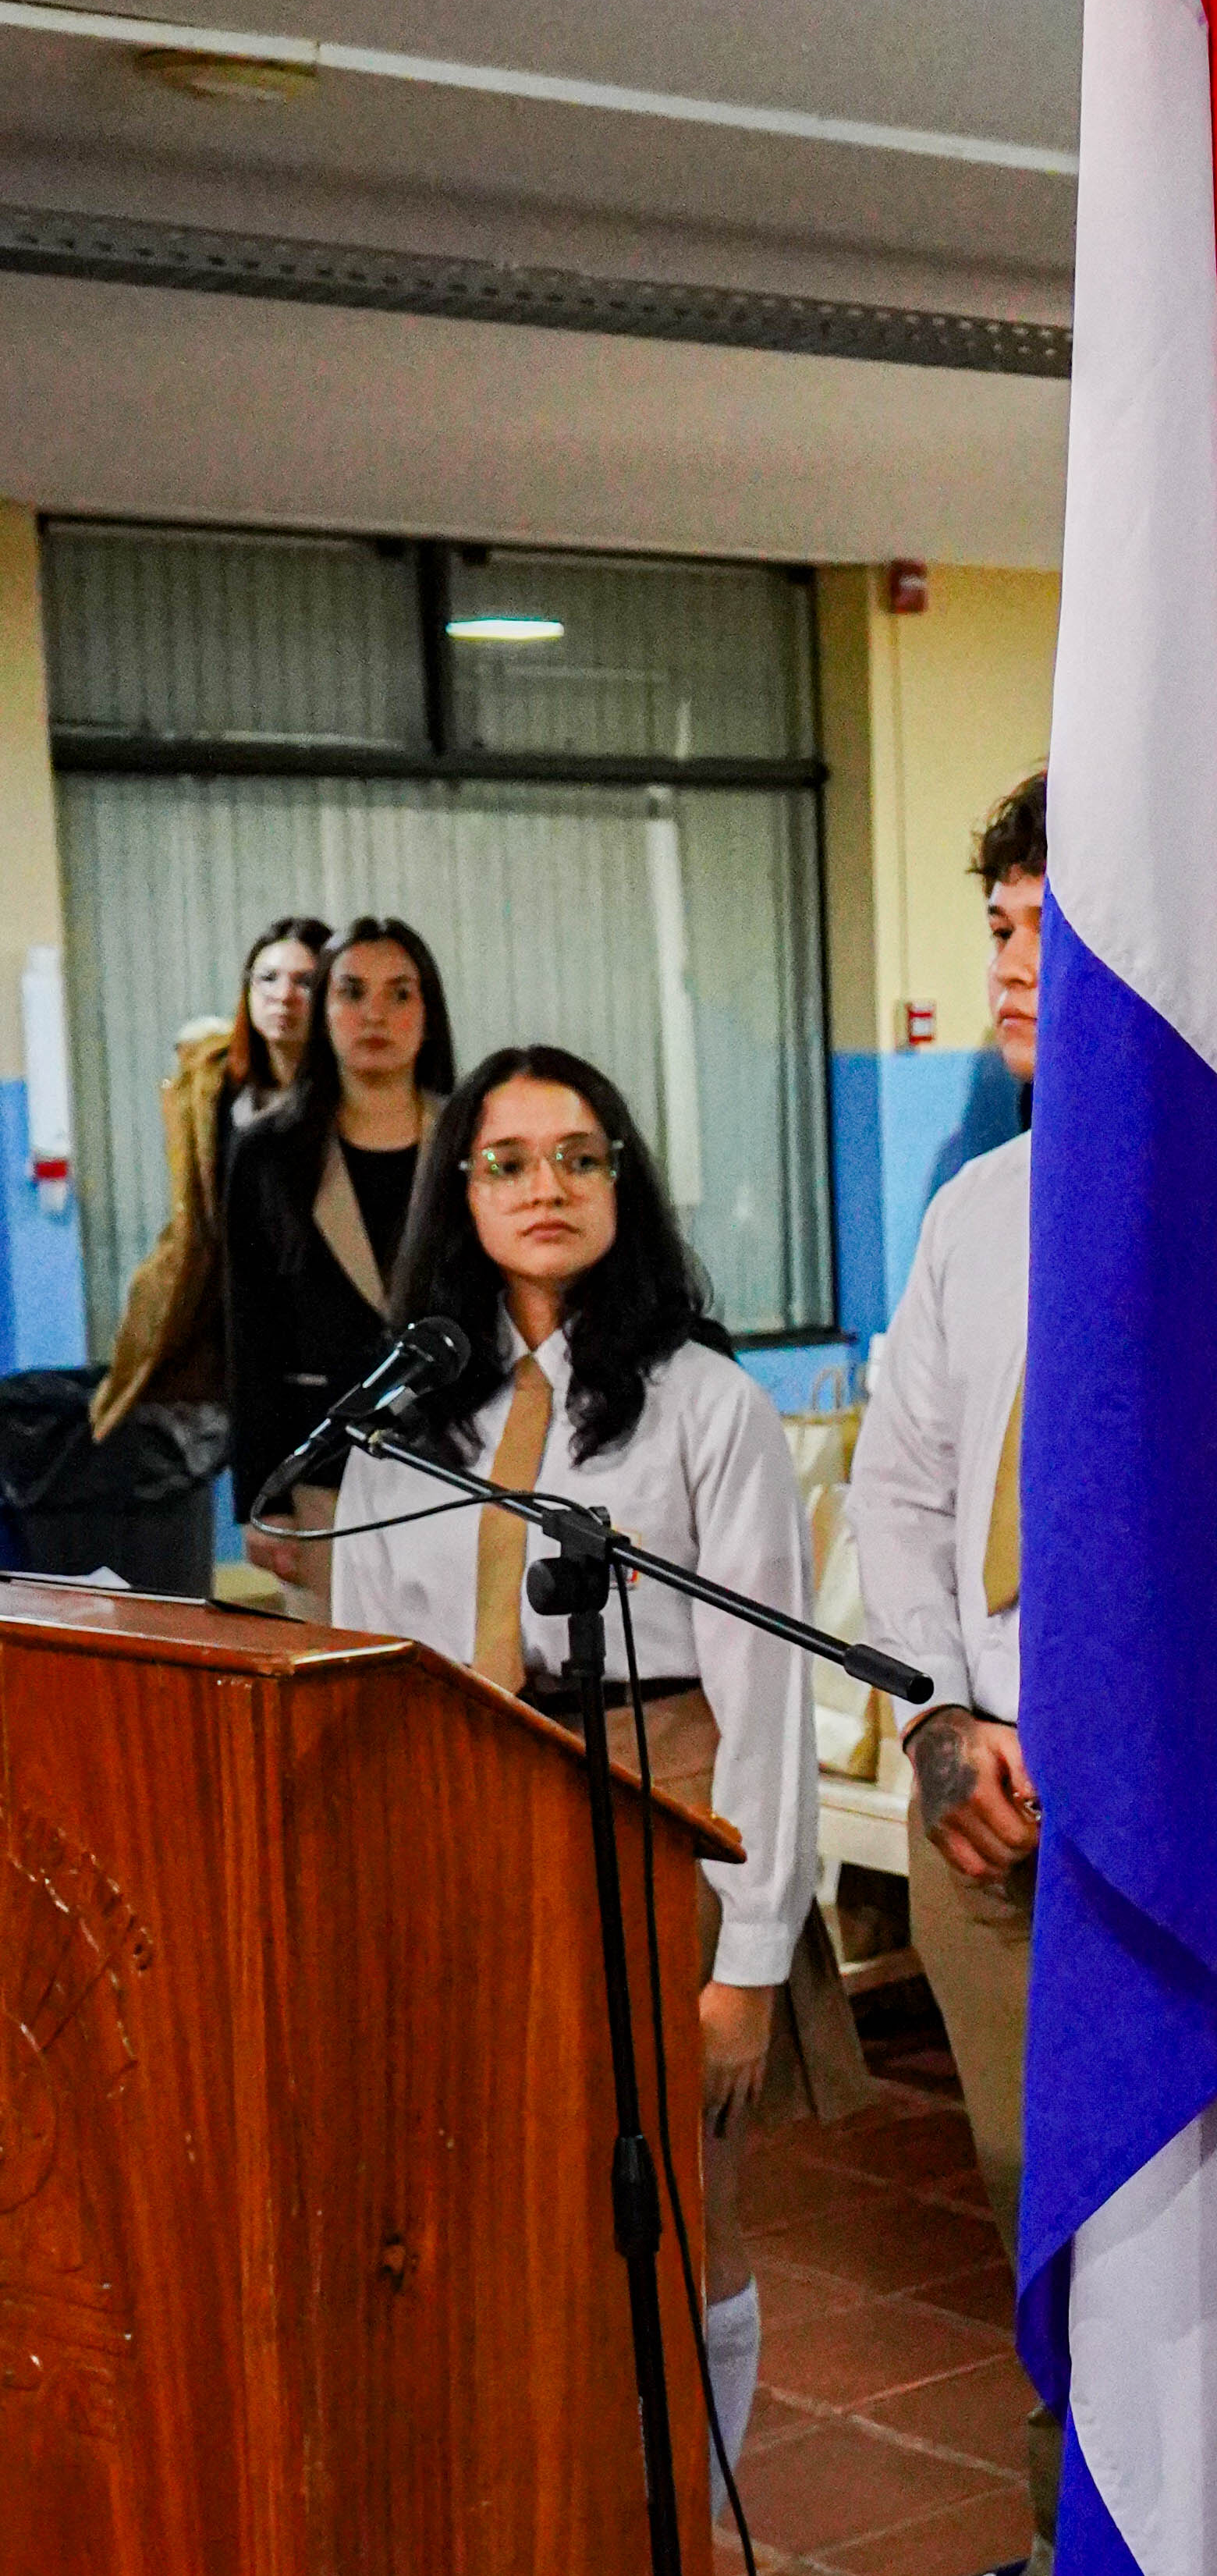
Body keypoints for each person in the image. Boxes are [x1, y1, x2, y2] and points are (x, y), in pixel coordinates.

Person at [329, 1043, 868, 2471]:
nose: (546, 1188)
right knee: (505, 2217)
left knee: (685, 2216)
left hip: (662, 1812)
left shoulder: (704, 1402)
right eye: (506, 1163)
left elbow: (767, 1698)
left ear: (623, 1182)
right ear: (460, 1194)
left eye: (579, 1157)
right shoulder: (401, 1422)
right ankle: (563, 2543)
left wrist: (748, 1965)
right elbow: (369, 1673)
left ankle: (683, 2540)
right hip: (473, 1837)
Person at [839, 768, 1052, 2576]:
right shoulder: (977, 1212)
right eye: (996, 928)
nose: (1010, 966)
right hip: (983, 1804)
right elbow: (902, 1492)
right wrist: (939, 1719)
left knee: (1192, 2233)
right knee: (1033, 2212)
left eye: (1049, 929)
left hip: (1179, 1817)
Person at [228, 917, 453, 1617]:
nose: (375, 1015)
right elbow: (250, 1332)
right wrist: (261, 1496)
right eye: (352, 993)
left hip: (460, 1468)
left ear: (429, 1013)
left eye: (400, 994)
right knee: (338, 1669)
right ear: (322, 1010)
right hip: (324, 1477)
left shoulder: (471, 1142)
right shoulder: (268, 1152)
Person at [90, 918, 331, 1441]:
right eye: (268, 978)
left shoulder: (353, 1097)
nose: (284, 996)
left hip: (323, 1311)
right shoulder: (217, 1089)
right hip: (234, 1304)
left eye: (305, 981)